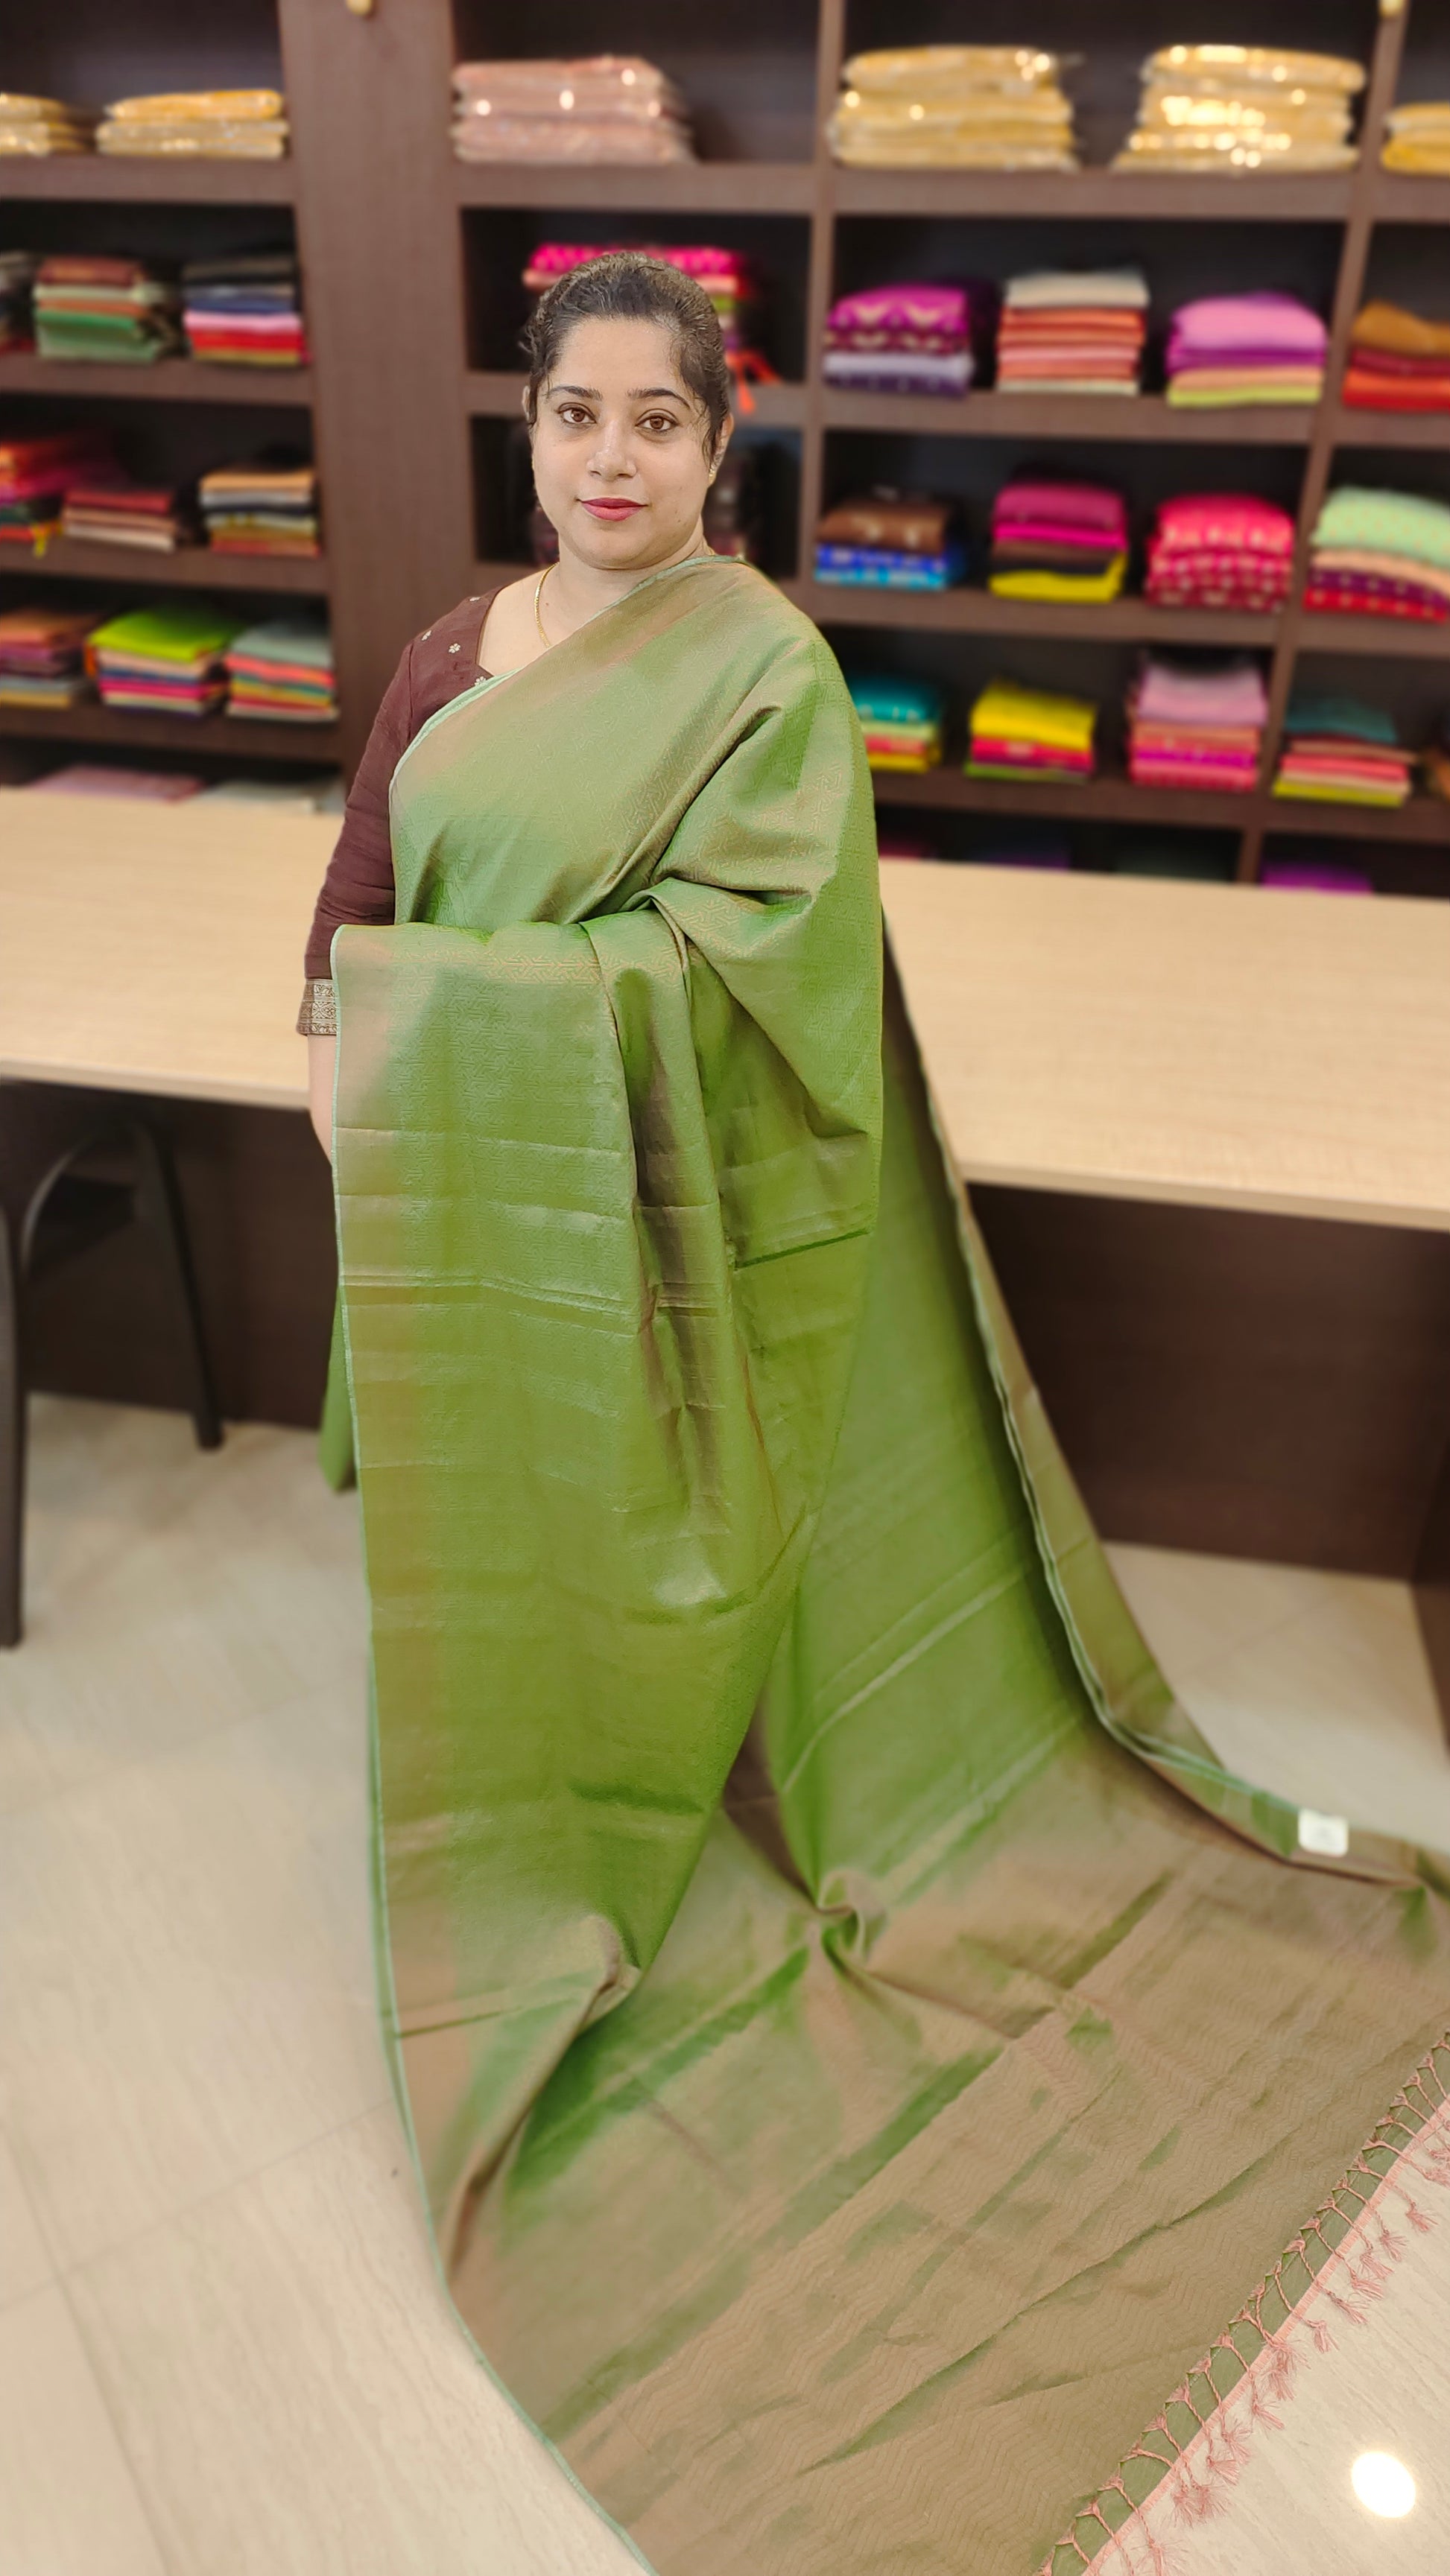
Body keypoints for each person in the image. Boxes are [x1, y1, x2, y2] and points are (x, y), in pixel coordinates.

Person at [303, 255, 1450, 2576]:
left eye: (656, 420)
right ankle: (538, 1805)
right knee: (504, 1578)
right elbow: (355, 917)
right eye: (573, 413)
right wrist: (360, 1066)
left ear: (718, 451)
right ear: (525, 430)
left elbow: (771, 973)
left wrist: (465, 1038)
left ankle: (688, 1779)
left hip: (664, 1223)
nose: (610, 456)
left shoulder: (763, 676)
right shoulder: (443, 664)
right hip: (471, 1225)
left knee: (704, 1552)